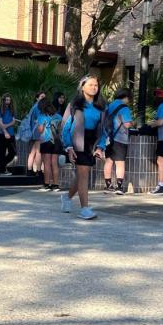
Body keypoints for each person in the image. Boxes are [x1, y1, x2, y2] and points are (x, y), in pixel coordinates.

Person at [61, 76, 107, 220]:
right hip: (77, 142)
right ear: (82, 87)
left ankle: (67, 197)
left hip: (92, 142)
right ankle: (84, 209)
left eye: (96, 85)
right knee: (84, 174)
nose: (94, 87)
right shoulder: (74, 105)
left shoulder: (102, 106)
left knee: (82, 175)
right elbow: (65, 128)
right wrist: (68, 146)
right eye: (91, 84)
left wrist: (101, 146)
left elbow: (105, 129)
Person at [103, 88, 134, 195]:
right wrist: (133, 123)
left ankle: (108, 186)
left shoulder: (109, 105)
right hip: (120, 138)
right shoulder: (124, 108)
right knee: (120, 163)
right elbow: (127, 124)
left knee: (108, 161)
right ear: (126, 97)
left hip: (108, 137)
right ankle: (119, 187)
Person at [36, 100, 63, 191]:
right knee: (54, 163)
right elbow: (61, 128)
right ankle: (56, 185)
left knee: (47, 164)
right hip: (56, 141)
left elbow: (40, 130)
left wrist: (42, 125)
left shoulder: (41, 116)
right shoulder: (58, 116)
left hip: (46, 141)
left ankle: (47, 184)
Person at [0, 93, 17, 176]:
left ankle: (2, 164)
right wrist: (5, 131)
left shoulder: (12, 109)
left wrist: (6, 126)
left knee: (13, 152)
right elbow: (0, 122)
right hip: (1, 134)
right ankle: (2, 170)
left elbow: (14, 121)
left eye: (9, 100)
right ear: (3, 100)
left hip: (11, 133)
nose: (8, 101)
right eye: (6, 100)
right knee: (1, 152)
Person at [26, 92, 46, 177]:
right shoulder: (38, 107)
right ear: (37, 98)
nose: (43, 98)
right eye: (41, 97)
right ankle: (39, 170)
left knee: (33, 151)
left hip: (35, 130)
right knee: (38, 151)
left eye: (44, 97)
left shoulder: (34, 106)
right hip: (38, 130)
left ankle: (29, 170)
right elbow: (39, 120)